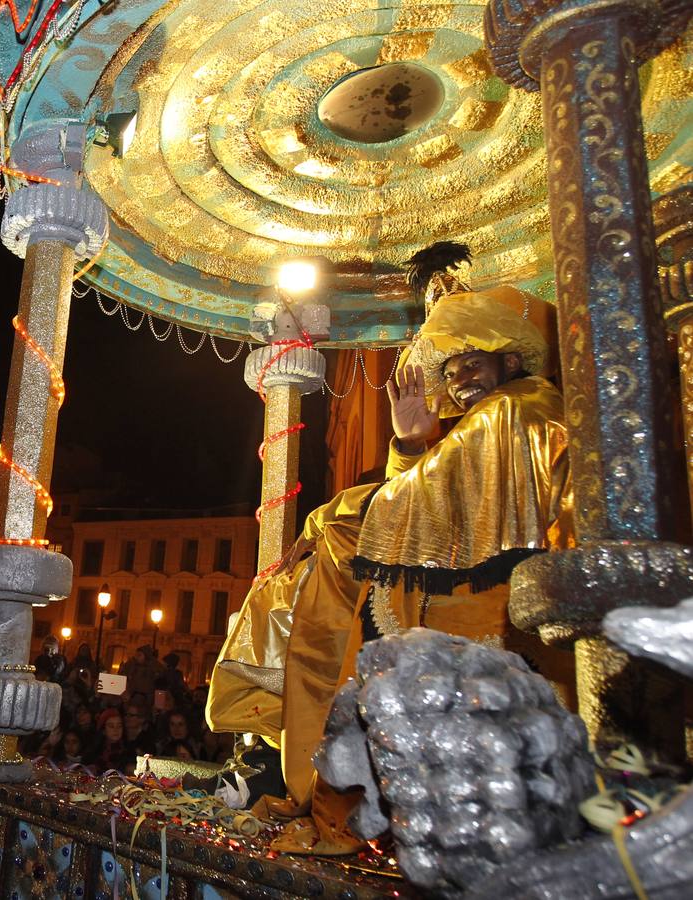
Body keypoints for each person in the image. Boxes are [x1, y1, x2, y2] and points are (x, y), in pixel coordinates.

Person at [208, 245, 572, 854]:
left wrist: (328, 516)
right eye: (450, 372)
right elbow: (426, 499)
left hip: (496, 610)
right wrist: (410, 444)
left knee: (320, 604)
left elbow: (407, 508)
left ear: (510, 359)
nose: (459, 381)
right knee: (305, 598)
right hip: (454, 592)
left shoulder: (518, 410)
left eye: (470, 364)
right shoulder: (491, 417)